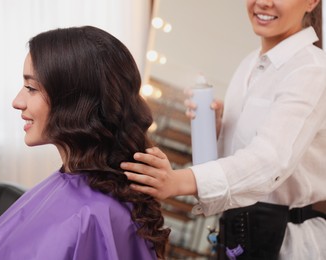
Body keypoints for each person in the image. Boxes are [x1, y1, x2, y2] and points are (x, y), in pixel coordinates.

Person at [121, 0, 326, 259]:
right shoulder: (250, 64)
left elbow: (270, 161)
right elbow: (239, 164)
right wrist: (219, 132)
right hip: (237, 232)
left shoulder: (313, 70)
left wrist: (179, 181)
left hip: (288, 244)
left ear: (311, 2)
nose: (263, 2)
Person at [0, 26, 170, 260]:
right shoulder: (71, 188)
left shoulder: (95, 217)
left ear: (75, 100)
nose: (17, 101)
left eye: (31, 88)